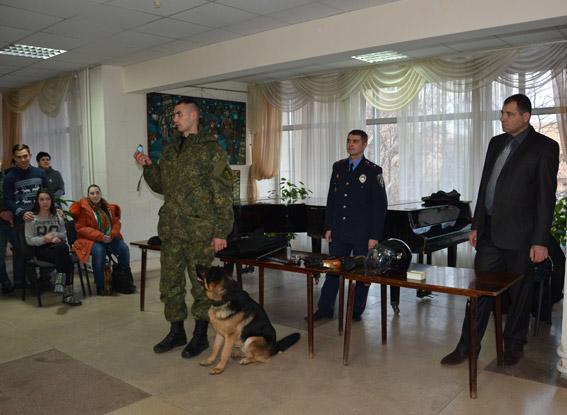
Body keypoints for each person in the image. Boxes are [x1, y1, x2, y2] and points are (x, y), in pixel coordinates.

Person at [440, 94, 559, 367]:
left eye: (508, 113)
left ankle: (514, 344)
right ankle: (467, 346)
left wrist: (540, 241)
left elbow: (545, 197)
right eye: (502, 113)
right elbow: (485, 188)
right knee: (478, 292)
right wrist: (477, 225)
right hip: (490, 234)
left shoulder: (544, 147)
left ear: (525, 116)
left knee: (520, 294)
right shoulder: (496, 143)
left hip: (522, 237)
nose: (502, 118)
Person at [134, 98, 234, 359]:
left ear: (193, 116)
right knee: (170, 283)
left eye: (178, 114)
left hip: (199, 230)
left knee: (201, 286)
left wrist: (221, 231)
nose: (174, 119)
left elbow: (223, 193)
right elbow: (161, 186)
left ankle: (200, 334)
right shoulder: (169, 151)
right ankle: (176, 330)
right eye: (174, 115)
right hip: (172, 229)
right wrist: (147, 167)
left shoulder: (212, 150)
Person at [313, 129, 388, 322]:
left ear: (364, 145)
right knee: (333, 269)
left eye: (355, 141)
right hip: (339, 230)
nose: (350, 144)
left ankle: (355, 310)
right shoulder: (338, 167)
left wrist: (374, 235)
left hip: (363, 232)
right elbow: (333, 199)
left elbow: (380, 206)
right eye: (348, 141)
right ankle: (325, 309)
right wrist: (328, 226)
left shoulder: (373, 170)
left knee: (362, 274)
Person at [69, 185, 131, 295]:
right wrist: (100, 236)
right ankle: (100, 285)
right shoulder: (83, 208)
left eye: (97, 192)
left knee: (124, 249)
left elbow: (116, 223)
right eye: (92, 193)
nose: (95, 195)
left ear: (100, 194)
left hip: (109, 237)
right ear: (88, 195)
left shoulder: (107, 207)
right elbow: (81, 228)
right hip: (90, 239)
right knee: (99, 251)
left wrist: (112, 235)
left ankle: (122, 280)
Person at [24, 189, 81, 306]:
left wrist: (55, 236)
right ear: (37, 201)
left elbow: (63, 234)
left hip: (57, 247)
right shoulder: (31, 218)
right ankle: (68, 295)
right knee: (66, 258)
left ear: (52, 200)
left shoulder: (57, 216)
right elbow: (29, 240)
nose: (45, 202)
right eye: (42, 199)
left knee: (62, 249)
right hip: (42, 250)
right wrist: (46, 239)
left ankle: (60, 279)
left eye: (48, 199)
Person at [3, 144, 47, 289]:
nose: (23, 159)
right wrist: (21, 212)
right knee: (26, 254)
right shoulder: (9, 177)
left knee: (46, 250)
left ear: (30, 155)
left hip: (41, 220)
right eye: (19, 157)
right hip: (22, 222)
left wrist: (54, 210)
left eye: (25, 156)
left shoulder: (40, 173)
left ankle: (45, 280)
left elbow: (47, 196)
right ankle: (33, 284)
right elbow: (8, 200)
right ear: (14, 158)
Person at [0, 161, 19, 294]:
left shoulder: (8, 176)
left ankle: (19, 280)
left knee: (20, 249)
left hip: (13, 219)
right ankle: (4, 281)